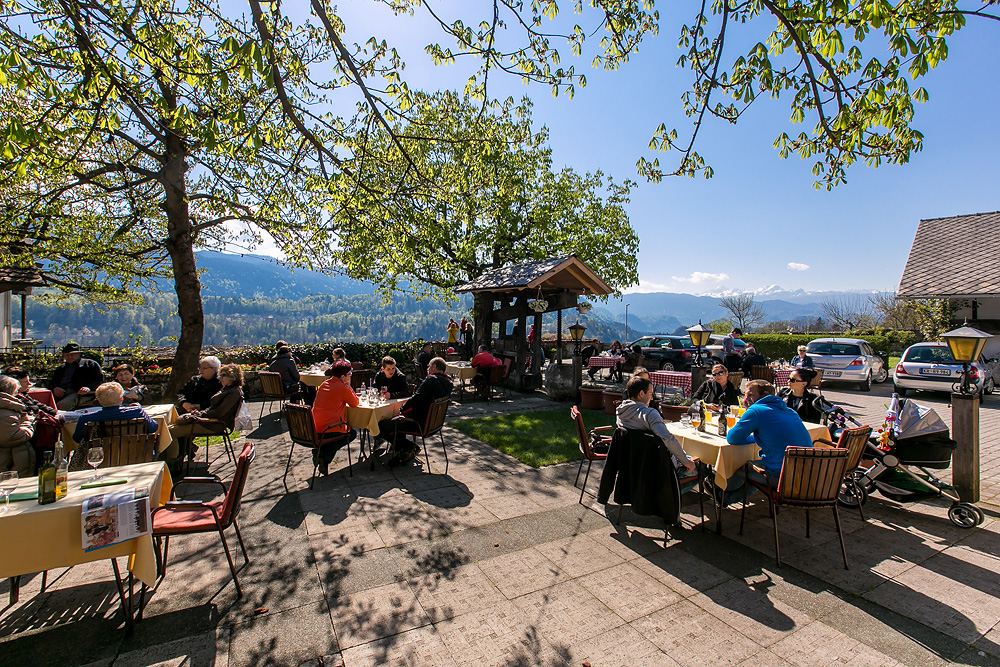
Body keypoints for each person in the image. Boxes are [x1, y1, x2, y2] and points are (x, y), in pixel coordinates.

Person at [727, 379, 813, 488]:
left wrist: (751, 438)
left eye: (751, 395)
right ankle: (726, 498)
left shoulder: (756, 410)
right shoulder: (790, 411)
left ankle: (720, 494)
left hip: (781, 478)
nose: (746, 399)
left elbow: (732, 438)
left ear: (765, 394)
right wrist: (756, 438)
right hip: (807, 477)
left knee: (743, 469)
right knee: (758, 469)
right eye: (745, 395)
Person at [378, 357, 452, 466]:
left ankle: (409, 447)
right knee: (394, 422)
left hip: (419, 423)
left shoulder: (431, 380)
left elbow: (416, 399)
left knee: (381, 426)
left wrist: (402, 409)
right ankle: (402, 450)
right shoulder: (447, 383)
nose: (427, 369)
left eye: (429, 366)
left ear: (434, 367)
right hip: (433, 423)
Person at [616, 376, 697, 474]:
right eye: (650, 394)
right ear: (641, 394)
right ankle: (672, 489)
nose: (651, 398)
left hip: (631, 464)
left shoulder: (621, 413)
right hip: (656, 468)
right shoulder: (649, 414)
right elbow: (667, 439)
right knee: (700, 467)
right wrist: (686, 461)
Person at [169, 364, 245, 462]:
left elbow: (219, 412)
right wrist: (200, 412)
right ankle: (180, 454)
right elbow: (213, 408)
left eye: (223, 376)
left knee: (171, 432)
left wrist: (200, 414)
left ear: (232, 377)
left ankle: (173, 461)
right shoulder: (227, 389)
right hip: (210, 421)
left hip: (214, 424)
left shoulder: (233, 392)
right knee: (171, 427)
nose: (219, 378)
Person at [311, 362, 359, 475]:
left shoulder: (324, 384)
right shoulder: (342, 387)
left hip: (314, 428)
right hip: (329, 429)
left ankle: (321, 452)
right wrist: (347, 384)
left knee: (345, 431)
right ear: (343, 376)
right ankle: (324, 455)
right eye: (349, 374)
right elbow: (355, 403)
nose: (350, 375)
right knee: (351, 434)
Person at [73, 382, 157, 443]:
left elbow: (77, 439)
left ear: (99, 402)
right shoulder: (136, 412)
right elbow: (153, 427)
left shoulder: (86, 418)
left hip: (101, 458)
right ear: (121, 399)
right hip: (136, 454)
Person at [48, 342, 105, 410]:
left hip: (80, 393)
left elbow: (98, 379)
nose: (69, 357)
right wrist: (55, 388)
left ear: (78, 354)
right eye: (67, 355)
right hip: (62, 392)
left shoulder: (89, 364)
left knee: (62, 405)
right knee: (44, 402)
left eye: (72, 355)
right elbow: (53, 382)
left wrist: (88, 387)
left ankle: (61, 420)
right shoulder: (61, 368)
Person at [0, 375, 35, 477]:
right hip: (10, 463)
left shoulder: (9, 408)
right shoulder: (5, 412)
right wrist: (28, 423)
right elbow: (13, 437)